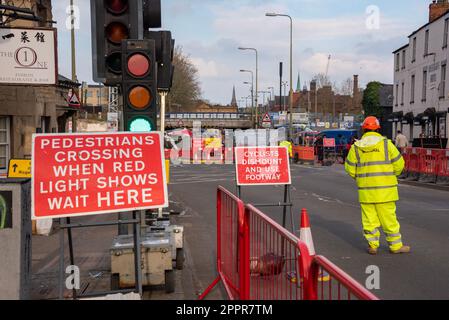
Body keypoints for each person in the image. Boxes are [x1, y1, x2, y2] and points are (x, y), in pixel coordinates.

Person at [344, 116, 410, 255]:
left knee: (369, 220)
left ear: (364, 129)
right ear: (378, 129)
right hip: (386, 191)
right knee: (389, 219)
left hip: (366, 191)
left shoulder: (356, 147)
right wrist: (391, 175)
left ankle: (373, 245)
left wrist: (360, 178)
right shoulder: (386, 144)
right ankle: (395, 246)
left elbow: (349, 168)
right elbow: (399, 164)